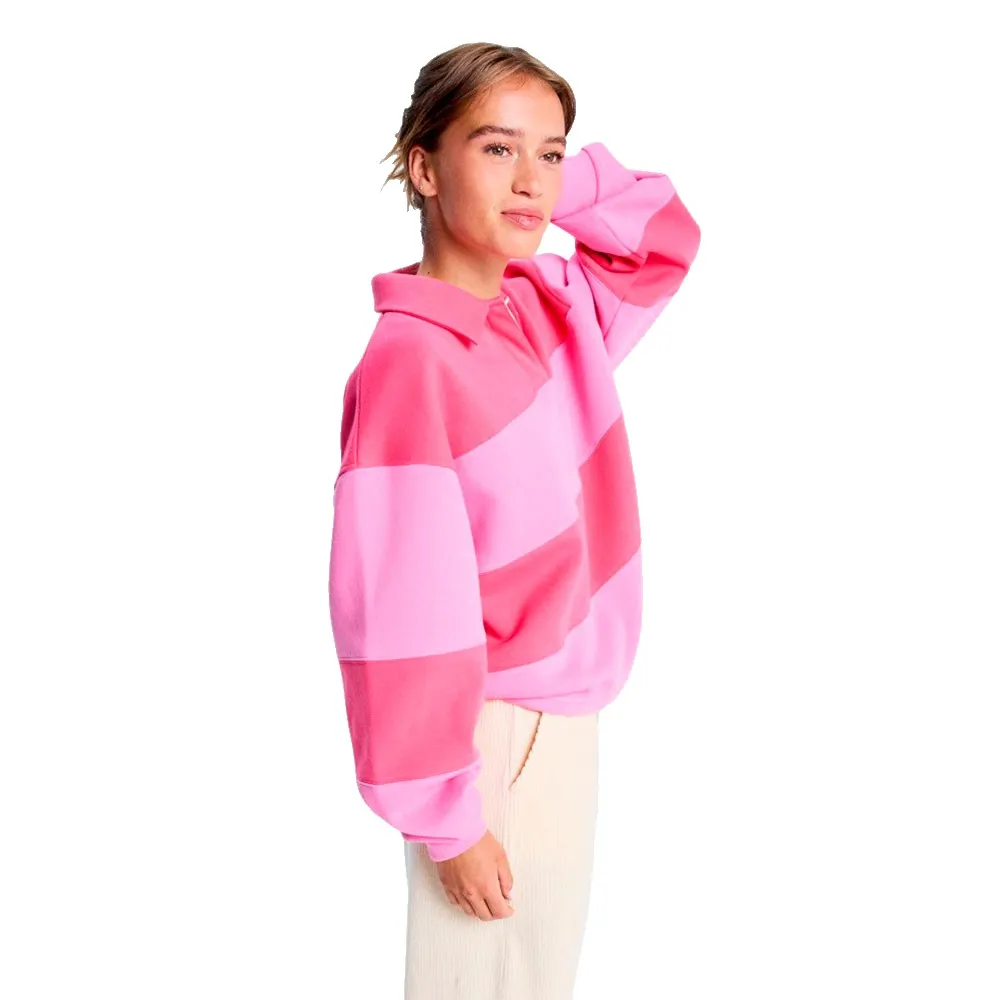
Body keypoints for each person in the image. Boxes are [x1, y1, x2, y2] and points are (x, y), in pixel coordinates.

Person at [328, 41, 701, 1000]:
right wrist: (448, 818)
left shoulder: (543, 309)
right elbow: (400, 609)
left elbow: (662, 238)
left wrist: (548, 183)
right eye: (497, 149)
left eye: (551, 153)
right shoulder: (412, 362)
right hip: (487, 741)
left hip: (558, 725)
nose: (532, 180)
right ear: (423, 168)